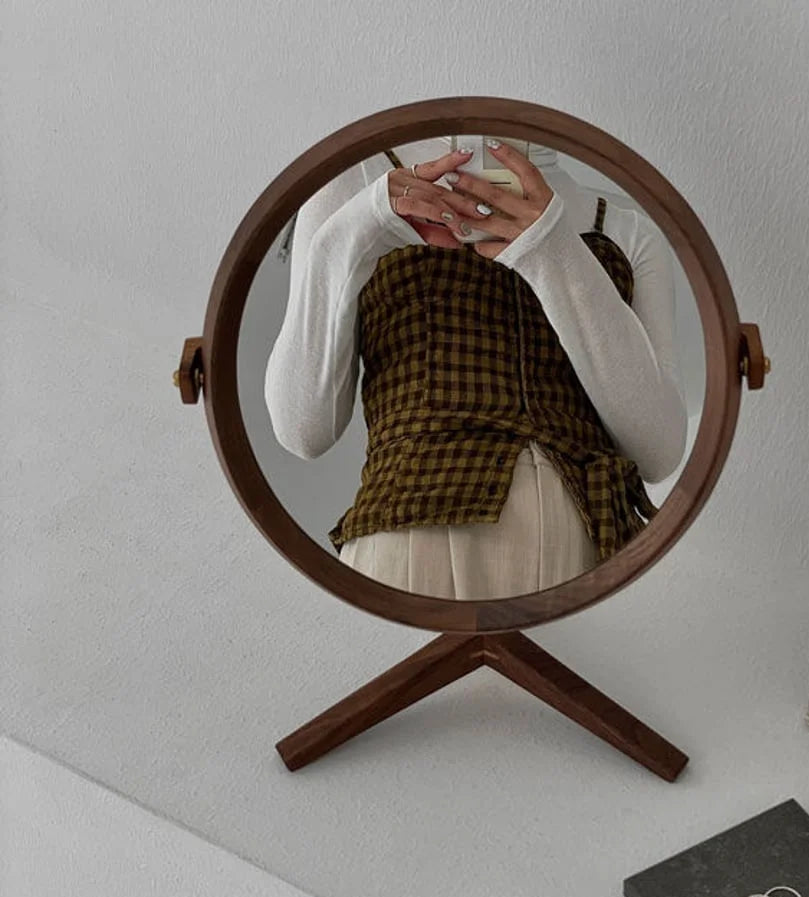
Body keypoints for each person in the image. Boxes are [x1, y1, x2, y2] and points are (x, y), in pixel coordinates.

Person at [265, 136, 687, 599]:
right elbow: (302, 429)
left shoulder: (627, 229)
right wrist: (363, 225)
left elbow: (658, 451)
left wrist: (551, 246)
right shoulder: (353, 185)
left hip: (588, 546)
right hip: (410, 526)